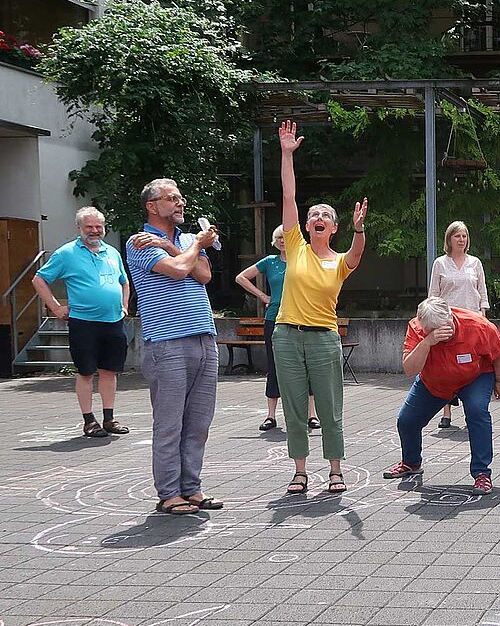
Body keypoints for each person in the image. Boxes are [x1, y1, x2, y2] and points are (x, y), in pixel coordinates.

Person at [275, 120, 368, 496]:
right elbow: (288, 198)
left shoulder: (340, 259)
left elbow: (358, 254)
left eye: (325, 217)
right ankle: (299, 472)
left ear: (334, 228)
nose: (317, 219)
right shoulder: (294, 245)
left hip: (324, 339)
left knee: (329, 408)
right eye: (314, 215)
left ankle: (335, 470)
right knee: (295, 409)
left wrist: (360, 230)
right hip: (286, 336)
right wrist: (286, 155)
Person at [125, 178, 223, 515]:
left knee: (198, 421)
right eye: (172, 198)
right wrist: (193, 246)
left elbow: (204, 275)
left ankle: (191, 488)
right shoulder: (138, 243)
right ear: (152, 206)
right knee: (169, 422)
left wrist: (174, 246)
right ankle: (168, 493)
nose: (180, 203)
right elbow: (180, 270)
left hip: (203, 337)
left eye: (180, 197)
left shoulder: (180, 239)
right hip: (166, 342)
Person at [384, 296, 500, 494]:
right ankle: (411, 463)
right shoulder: (417, 328)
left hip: (475, 376)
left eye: (442, 329)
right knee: (406, 420)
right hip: (435, 381)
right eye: (430, 330)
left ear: (450, 318)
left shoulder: (477, 325)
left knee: (477, 411)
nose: (440, 334)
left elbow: (498, 352)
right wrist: (427, 342)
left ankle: (482, 474)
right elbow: (409, 369)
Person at [32, 207, 131, 439]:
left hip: (113, 321)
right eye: (89, 227)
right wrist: (56, 307)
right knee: (86, 372)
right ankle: (89, 421)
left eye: (99, 227)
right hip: (84, 322)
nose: (95, 231)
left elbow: (124, 282)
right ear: (79, 228)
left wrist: (125, 305)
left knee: (110, 371)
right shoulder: (66, 253)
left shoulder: (112, 252)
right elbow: (39, 279)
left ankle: (109, 418)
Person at [234, 225, 317, 431]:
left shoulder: (304, 260)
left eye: (284, 237)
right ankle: (271, 416)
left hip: (300, 317)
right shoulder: (270, 262)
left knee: (306, 365)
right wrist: (263, 296)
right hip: (275, 318)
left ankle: (312, 415)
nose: (282, 240)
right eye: (278, 237)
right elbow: (241, 277)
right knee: (274, 365)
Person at [429, 221, 490, 429]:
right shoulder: (440, 263)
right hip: (449, 321)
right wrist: (435, 320)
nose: (461, 240)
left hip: (472, 321)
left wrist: (483, 318)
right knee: (449, 367)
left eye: (464, 236)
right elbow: (433, 295)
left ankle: (470, 409)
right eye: (457, 236)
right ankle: (446, 412)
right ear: (449, 239)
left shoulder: (475, 263)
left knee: (470, 366)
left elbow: (482, 293)